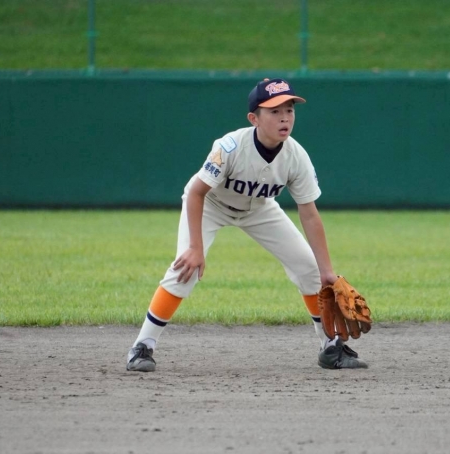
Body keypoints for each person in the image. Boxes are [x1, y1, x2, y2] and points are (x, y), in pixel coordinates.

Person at [126, 78, 367, 372]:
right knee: (184, 270)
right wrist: (195, 248)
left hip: (259, 208)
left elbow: (309, 214)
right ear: (254, 118)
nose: (285, 118)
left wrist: (327, 270)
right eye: (274, 111)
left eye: (289, 110)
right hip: (210, 205)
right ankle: (142, 347)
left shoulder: (296, 156)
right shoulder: (230, 147)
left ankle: (330, 347)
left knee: (310, 270)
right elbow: (196, 193)